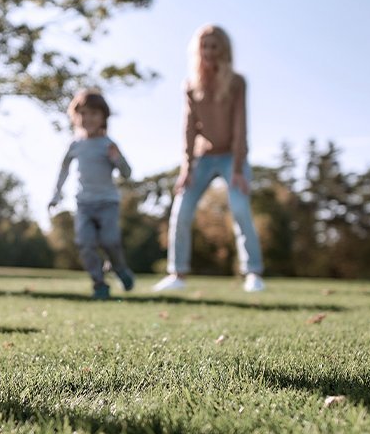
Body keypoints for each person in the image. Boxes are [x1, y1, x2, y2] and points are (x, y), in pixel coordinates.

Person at [152, 25, 265, 293]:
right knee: (181, 209)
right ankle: (177, 273)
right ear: (198, 50)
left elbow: (240, 127)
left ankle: (253, 273)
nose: (210, 51)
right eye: (205, 46)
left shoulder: (237, 82)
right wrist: (186, 169)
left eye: (215, 46)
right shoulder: (190, 85)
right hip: (203, 158)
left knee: (239, 208)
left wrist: (237, 168)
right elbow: (189, 129)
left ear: (223, 50)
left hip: (231, 158)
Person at [49, 89, 134, 300]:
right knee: (85, 245)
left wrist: (116, 159)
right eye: (83, 113)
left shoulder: (109, 144)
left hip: (108, 202)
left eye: (94, 114)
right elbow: (63, 170)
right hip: (84, 204)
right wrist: (56, 195)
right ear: (76, 116)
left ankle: (119, 268)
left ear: (103, 117)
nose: (88, 118)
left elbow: (127, 173)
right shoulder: (75, 145)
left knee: (110, 241)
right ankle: (99, 284)